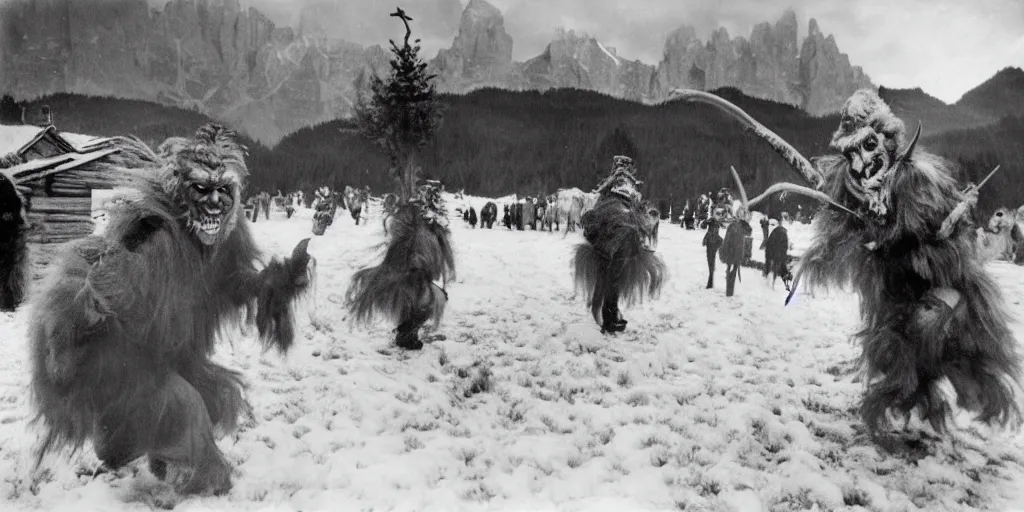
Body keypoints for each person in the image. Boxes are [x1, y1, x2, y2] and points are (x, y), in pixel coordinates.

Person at [720, 206, 752, 297]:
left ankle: (729, 291)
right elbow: (749, 232)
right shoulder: (740, 226)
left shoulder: (735, 226)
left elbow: (749, 232)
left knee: (731, 270)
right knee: (732, 270)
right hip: (735, 252)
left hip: (733, 252)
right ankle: (729, 291)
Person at [702, 206, 724, 289]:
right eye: (718, 213)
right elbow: (703, 226)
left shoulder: (716, 221)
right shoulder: (712, 220)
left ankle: (710, 281)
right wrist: (705, 221)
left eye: (720, 214)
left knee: (711, 261)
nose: (720, 215)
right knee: (710, 262)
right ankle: (710, 281)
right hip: (711, 242)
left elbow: (723, 225)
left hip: (713, 242)